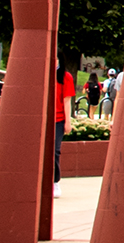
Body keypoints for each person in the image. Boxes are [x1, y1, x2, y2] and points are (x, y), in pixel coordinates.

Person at [52, 66, 77, 197]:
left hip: (58, 119)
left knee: (55, 150)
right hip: (43, 119)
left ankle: (55, 181)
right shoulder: (43, 73)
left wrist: (68, 122)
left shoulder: (65, 77)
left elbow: (67, 101)